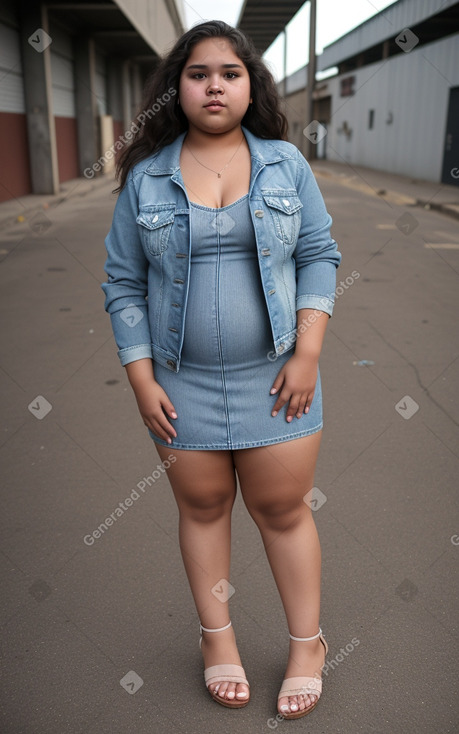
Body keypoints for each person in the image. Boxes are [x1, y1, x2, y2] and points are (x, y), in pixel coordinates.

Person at [102, 20, 341, 720]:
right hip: (180, 384)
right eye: (199, 72)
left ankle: (307, 645)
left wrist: (307, 352)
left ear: (249, 85)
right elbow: (121, 282)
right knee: (201, 509)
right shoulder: (146, 176)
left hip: (278, 379)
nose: (214, 84)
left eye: (229, 73)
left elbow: (317, 254)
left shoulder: (283, 166)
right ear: (176, 88)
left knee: (282, 511)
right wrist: (142, 378)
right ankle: (218, 640)